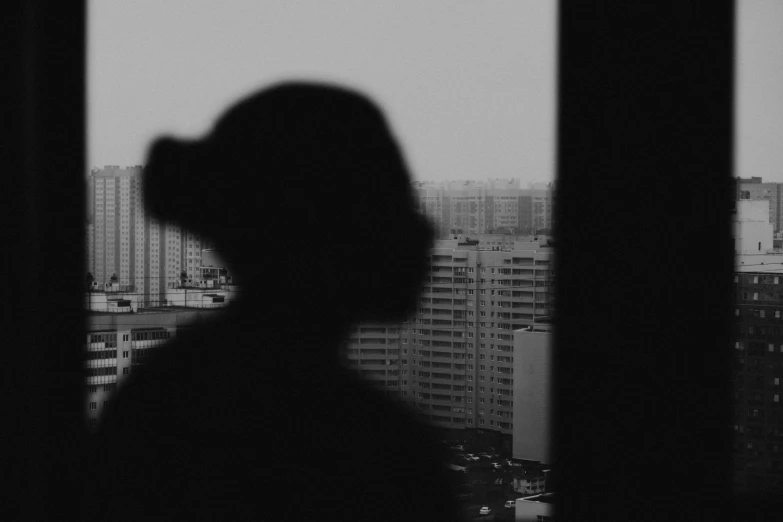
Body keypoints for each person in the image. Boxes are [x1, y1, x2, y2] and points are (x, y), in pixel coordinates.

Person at [82, 82, 462, 521]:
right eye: (393, 204)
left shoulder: (166, 400)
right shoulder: (370, 449)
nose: (424, 233)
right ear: (319, 230)